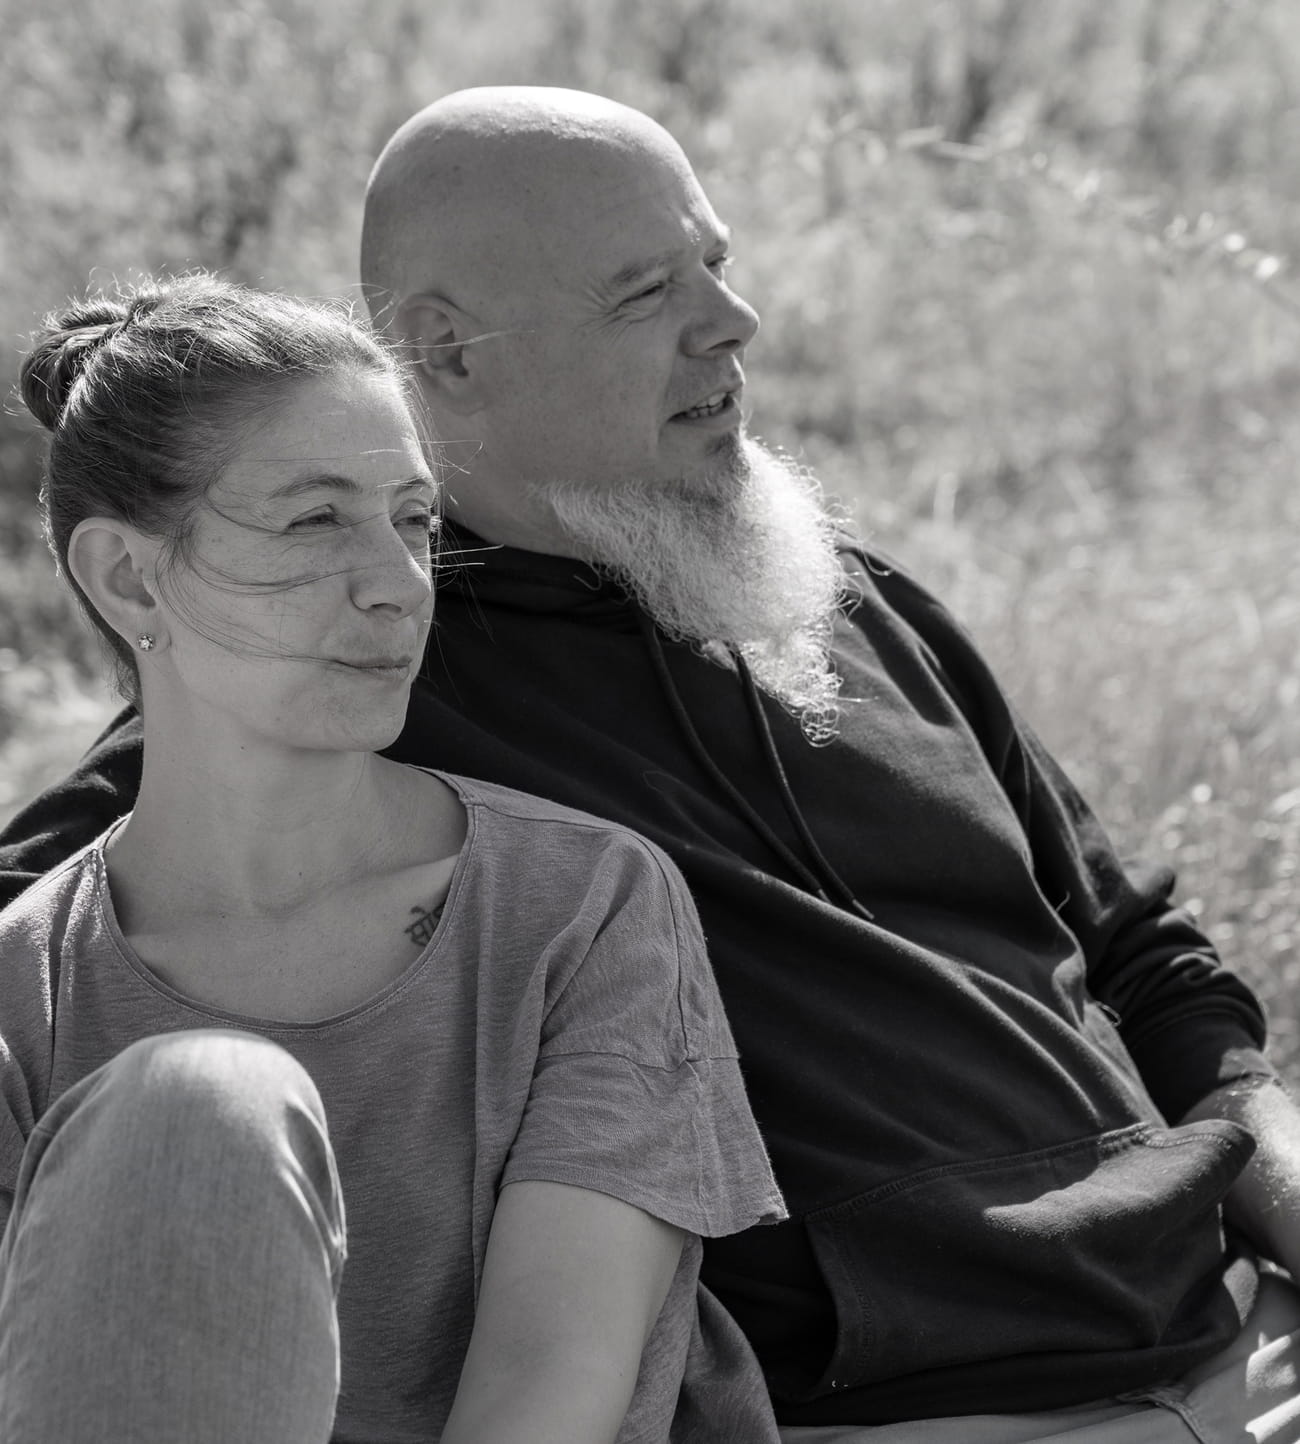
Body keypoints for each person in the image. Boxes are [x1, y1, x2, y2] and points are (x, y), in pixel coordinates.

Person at [5, 88, 1300, 1442]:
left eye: (716, 266)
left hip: (1239, 1333)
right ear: (445, 353)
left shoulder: (851, 600)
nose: (733, 323)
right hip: (915, 1410)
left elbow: (1148, 962)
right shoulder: (358, 673)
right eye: (644, 294)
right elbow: (99, 900)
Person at [0, 272, 786, 1443]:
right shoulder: (26, 991)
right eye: (315, 520)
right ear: (127, 576)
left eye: (413, 520)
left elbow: (550, 1391)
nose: (397, 585)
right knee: (195, 1110)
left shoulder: (581, 907)